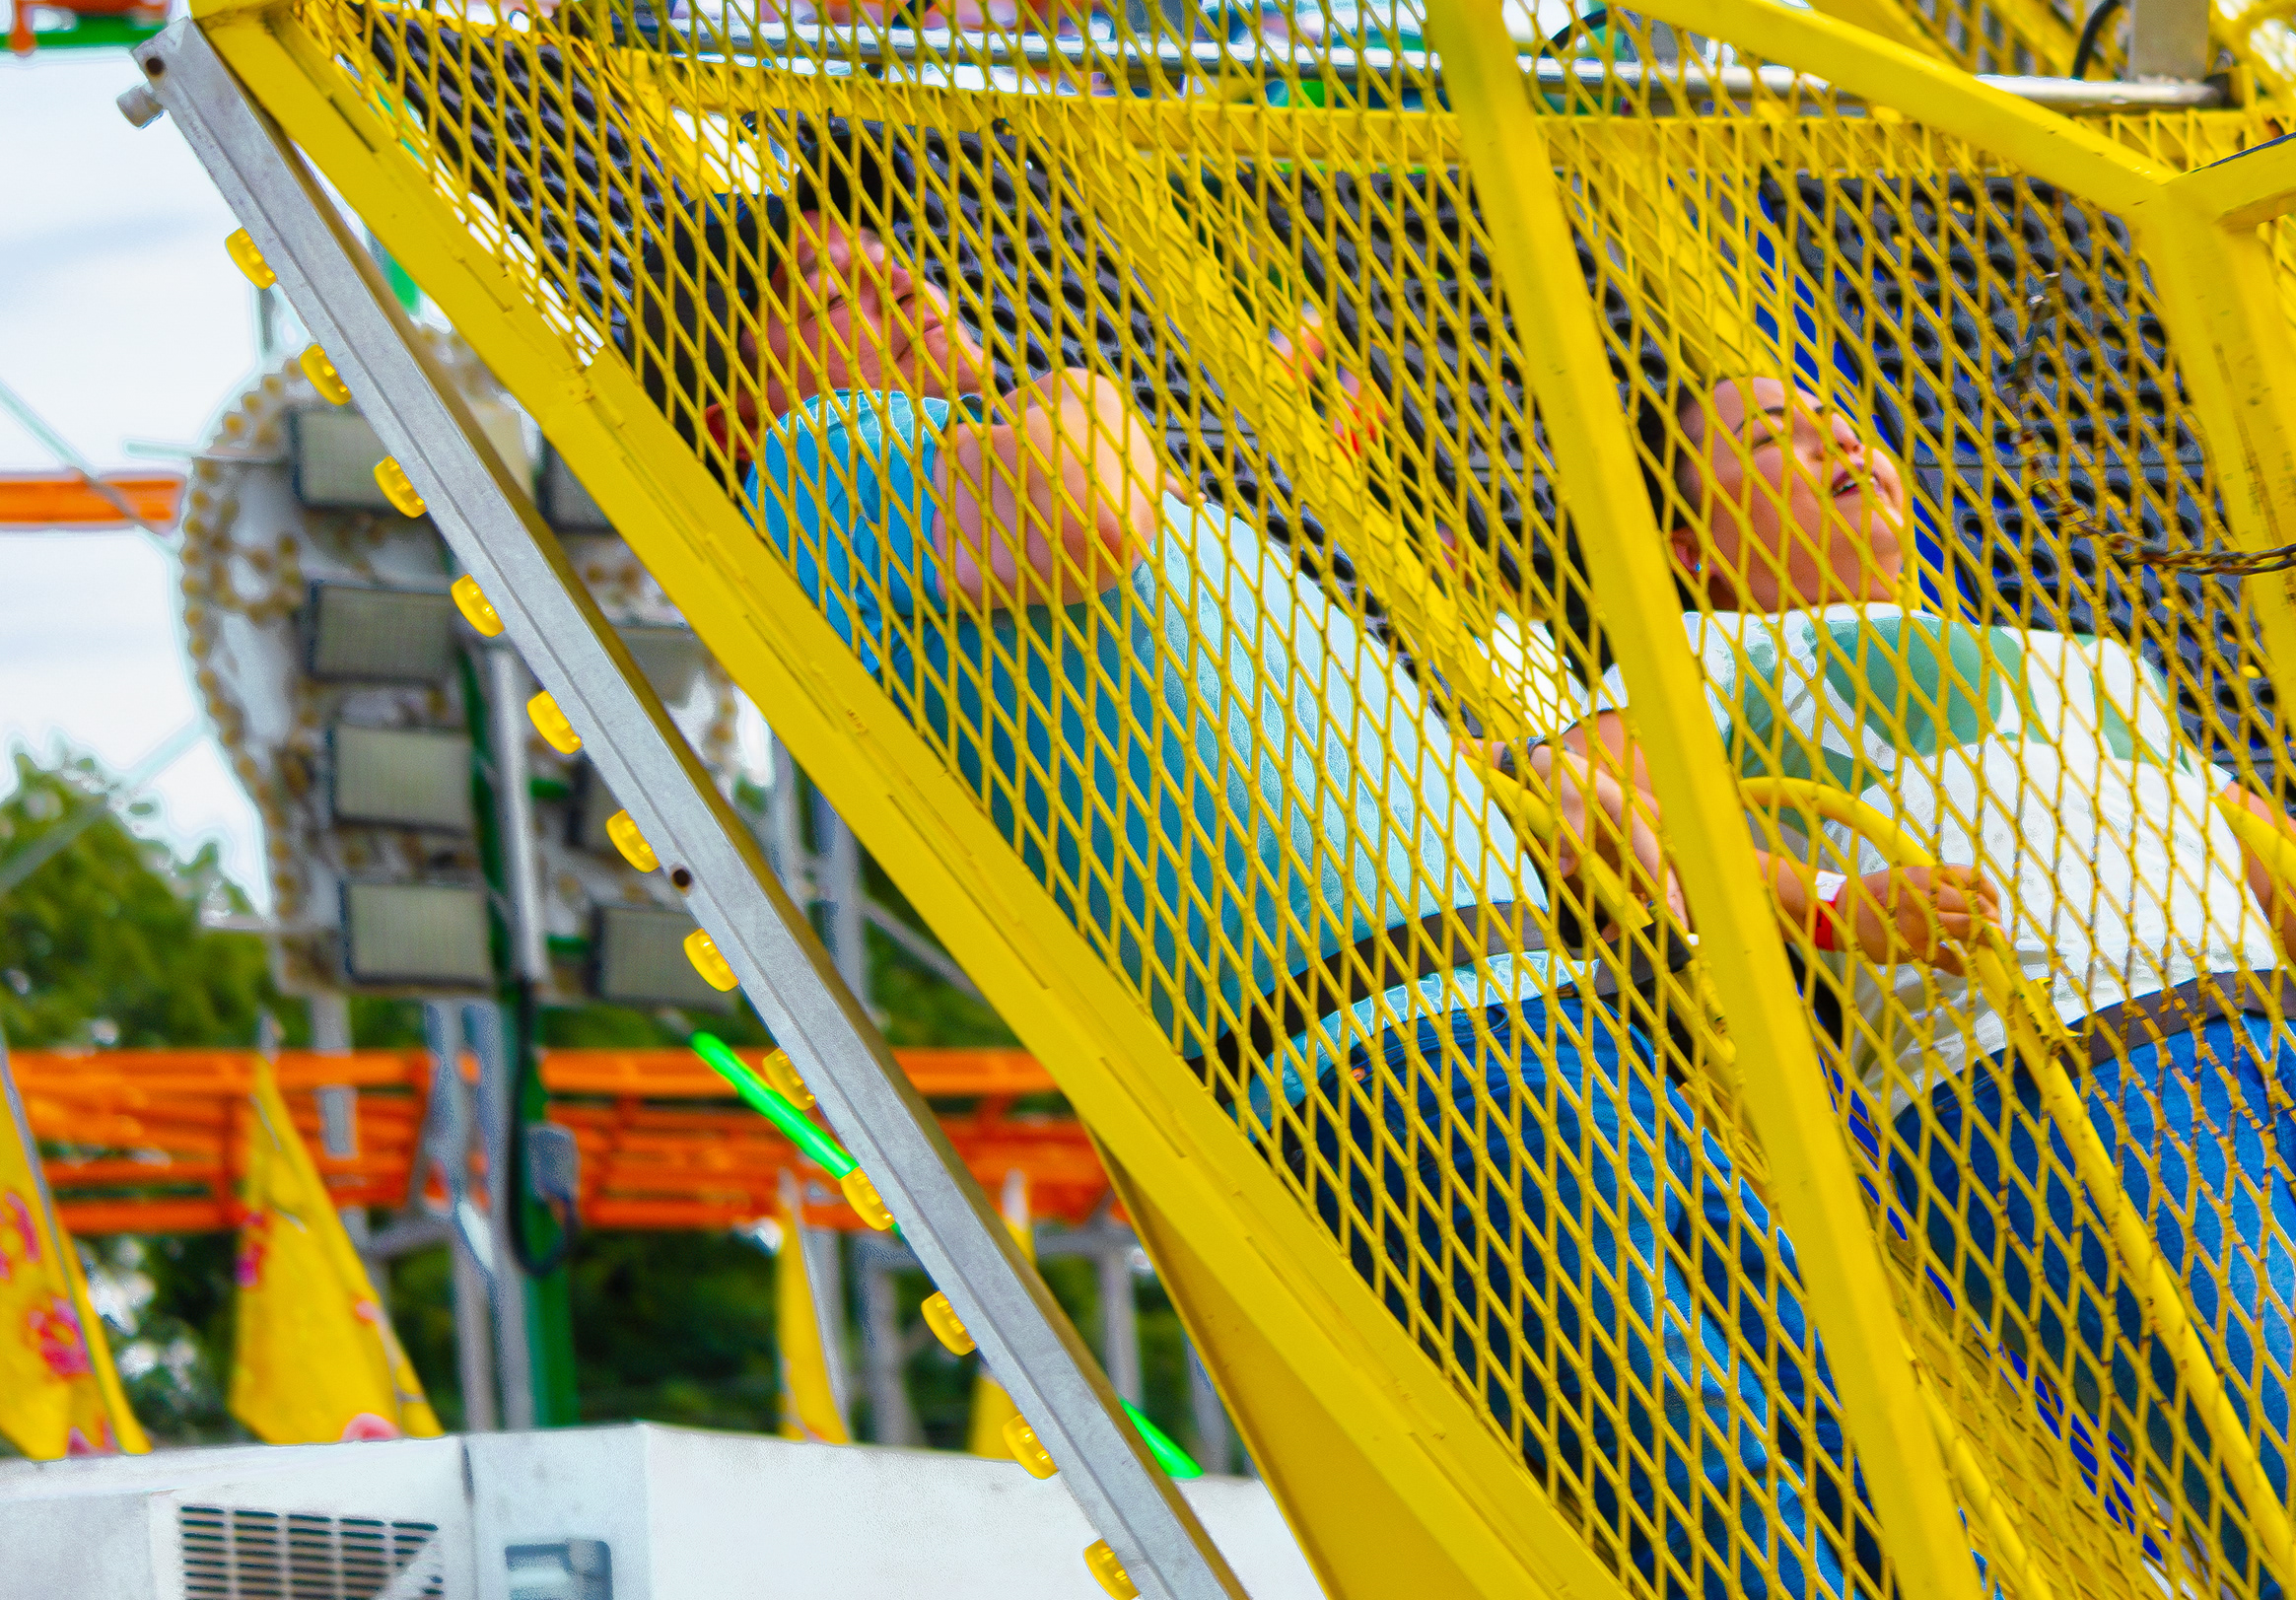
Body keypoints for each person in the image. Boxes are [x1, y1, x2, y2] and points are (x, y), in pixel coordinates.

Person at [634, 182, 1893, 1600]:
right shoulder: (829, 462)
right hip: (1396, 1043)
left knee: (1837, 1438)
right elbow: (1079, 512)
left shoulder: (953, 465)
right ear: (736, 402)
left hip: (1493, 998)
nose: (910, 295)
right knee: (1713, 1475)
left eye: (894, 267)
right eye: (833, 300)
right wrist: (1085, 385)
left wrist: (1503, 792)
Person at [1549, 369, 2296, 1600]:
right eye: (1772, 437)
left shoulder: (2087, 662)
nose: (1831, 443)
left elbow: (2269, 854)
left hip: (2283, 1049)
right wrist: (1823, 904)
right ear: (1693, 546)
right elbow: (1592, 795)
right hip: (2050, 1079)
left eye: (1841, 420)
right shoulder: (1707, 653)